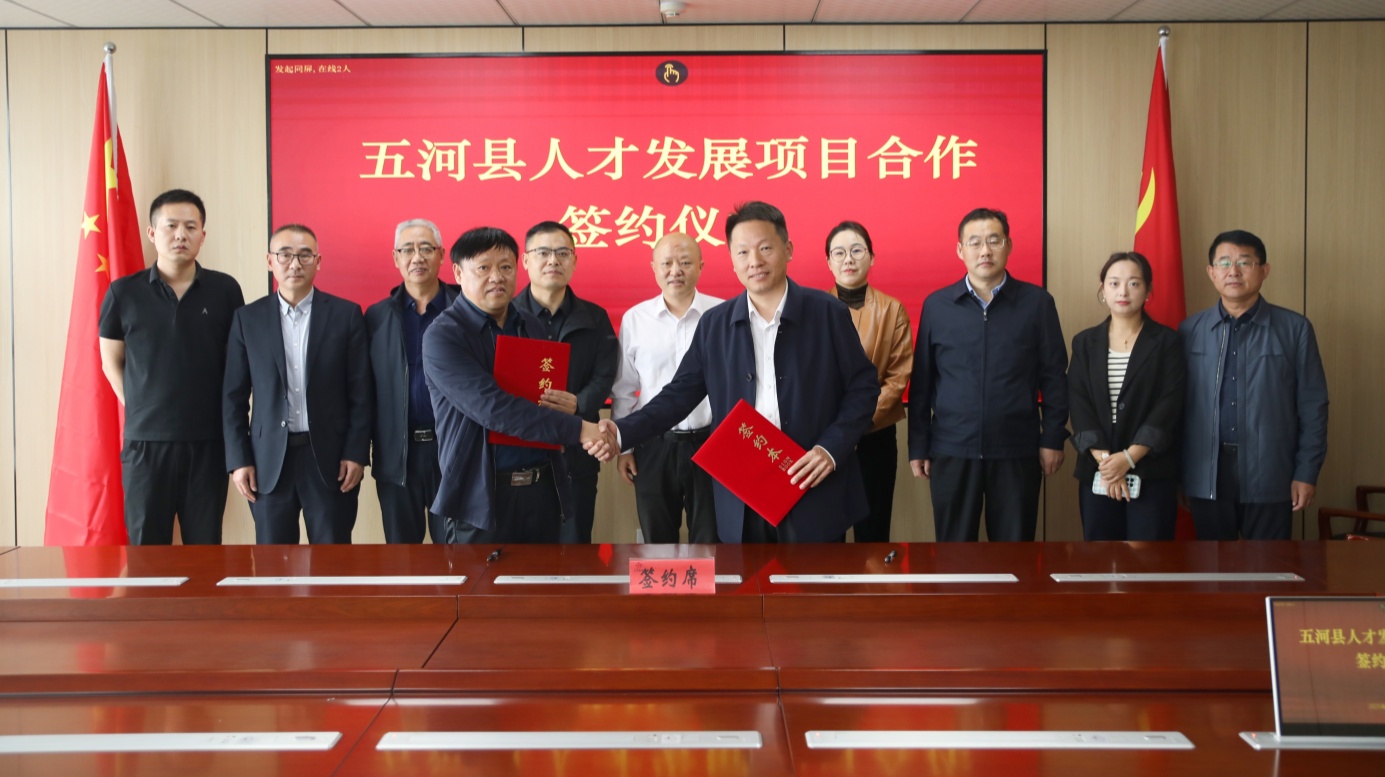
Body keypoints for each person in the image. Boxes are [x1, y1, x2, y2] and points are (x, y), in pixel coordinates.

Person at [598, 201, 879, 544]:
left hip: (812, 480)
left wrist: (830, 449)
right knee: (746, 575)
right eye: (743, 252)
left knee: (812, 577)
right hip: (744, 489)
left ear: (788, 249)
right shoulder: (715, 324)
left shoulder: (827, 313)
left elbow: (863, 387)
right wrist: (621, 431)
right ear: (732, 261)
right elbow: (677, 396)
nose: (754, 261)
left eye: (765, 248)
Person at [422, 226, 614, 544]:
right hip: (482, 497)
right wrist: (581, 429)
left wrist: (572, 416)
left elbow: (540, 399)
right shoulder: (444, 335)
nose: (497, 277)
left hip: (542, 491)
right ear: (458, 272)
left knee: (545, 576)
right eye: (484, 268)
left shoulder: (530, 325)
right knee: (482, 578)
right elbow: (494, 409)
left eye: (506, 267)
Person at [908, 207, 1069, 542]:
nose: (985, 251)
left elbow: (1054, 377)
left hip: (1016, 449)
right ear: (960, 250)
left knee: (1014, 553)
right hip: (952, 449)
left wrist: (1053, 438)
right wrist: (919, 446)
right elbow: (922, 383)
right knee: (954, 555)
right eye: (975, 242)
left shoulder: (1037, 303)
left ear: (1008, 245)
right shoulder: (938, 306)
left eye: (994, 240)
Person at [97, 189, 244, 545]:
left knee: (205, 549)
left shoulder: (225, 290)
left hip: (208, 443)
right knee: (147, 552)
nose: (181, 235)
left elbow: (236, 364)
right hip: (145, 446)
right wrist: (139, 405)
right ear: (152, 233)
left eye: (191, 227)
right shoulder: (123, 293)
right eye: (171, 226)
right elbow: (110, 361)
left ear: (202, 235)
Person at [223, 224, 372, 544]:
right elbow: (233, 398)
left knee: (333, 559)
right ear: (270, 261)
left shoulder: (346, 315)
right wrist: (239, 460)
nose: (295, 264)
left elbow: (361, 393)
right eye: (285, 255)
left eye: (305, 255)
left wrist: (356, 453)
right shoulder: (247, 319)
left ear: (318, 261)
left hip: (331, 460)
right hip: (267, 462)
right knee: (274, 562)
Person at [1181, 230, 1328, 540]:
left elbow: (1313, 407)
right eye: (1224, 263)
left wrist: (1306, 472)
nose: (1233, 271)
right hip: (1207, 472)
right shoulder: (1189, 331)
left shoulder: (1295, 329)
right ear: (1211, 272)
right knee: (1211, 565)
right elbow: (1177, 408)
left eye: (1244, 262)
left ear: (1264, 270)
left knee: (1268, 565)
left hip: (1271, 471)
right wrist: (1181, 477)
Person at [611, 232, 724, 544]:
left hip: (711, 443)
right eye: (667, 263)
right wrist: (625, 447)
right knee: (657, 541)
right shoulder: (636, 319)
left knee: (712, 541)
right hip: (653, 446)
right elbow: (625, 390)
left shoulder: (721, 315)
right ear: (653, 268)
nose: (676, 270)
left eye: (685, 262)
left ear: (700, 266)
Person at [513, 221, 618, 543]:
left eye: (562, 253)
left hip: (578, 452)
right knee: (523, 554)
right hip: (519, 456)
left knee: (575, 548)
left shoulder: (595, 317)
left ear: (574, 260)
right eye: (543, 252)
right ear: (525, 260)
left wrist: (579, 404)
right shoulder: (507, 316)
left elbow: (605, 373)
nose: (553, 260)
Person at [1068, 252, 1184, 541]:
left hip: (1151, 471)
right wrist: (1109, 464)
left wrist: (1129, 459)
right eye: (1114, 283)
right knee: (1099, 557)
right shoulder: (1084, 342)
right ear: (1103, 289)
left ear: (1148, 290)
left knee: (1149, 560)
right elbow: (1079, 403)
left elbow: (1169, 404)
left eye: (1133, 283)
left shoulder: (1168, 342)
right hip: (1098, 471)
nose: (1123, 292)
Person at [365, 218, 458, 544]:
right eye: (408, 250)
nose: (417, 257)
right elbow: (364, 392)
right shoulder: (376, 317)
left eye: (426, 249)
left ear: (441, 255)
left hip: (453, 450)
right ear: (396, 258)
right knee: (402, 555)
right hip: (397, 453)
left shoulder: (465, 309)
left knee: (456, 553)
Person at [824, 221, 913, 543]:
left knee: (873, 532)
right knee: (827, 532)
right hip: (824, 438)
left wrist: (858, 423)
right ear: (829, 262)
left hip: (874, 434)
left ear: (871, 257)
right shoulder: (812, 309)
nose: (848, 259)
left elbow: (898, 376)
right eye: (839, 252)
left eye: (857, 250)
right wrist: (837, 430)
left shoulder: (892, 310)